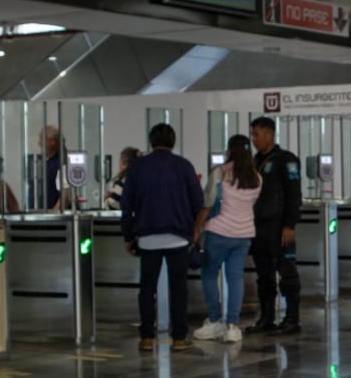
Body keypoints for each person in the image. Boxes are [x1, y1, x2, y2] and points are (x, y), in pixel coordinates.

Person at [120, 123, 203, 352]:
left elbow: (126, 205)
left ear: (151, 142)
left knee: (147, 289)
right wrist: (195, 231)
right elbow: (198, 202)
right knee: (178, 288)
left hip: (147, 238)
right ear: (173, 142)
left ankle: (147, 337)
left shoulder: (137, 168)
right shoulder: (184, 166)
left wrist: (128, 236)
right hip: (178, 238)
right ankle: (178, 338)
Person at [193, 135, 263, 343]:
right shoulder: (257, 178)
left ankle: (214, 321)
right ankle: (233, 326)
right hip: (244, 235)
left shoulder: (220, 173)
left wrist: (197, 229)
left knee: (209, 273)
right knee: (235, 278)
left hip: (219, 232)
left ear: (229, 151)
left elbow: (207, 203)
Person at [247, 117, 303, 335]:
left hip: (279, 227)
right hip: (258, 227)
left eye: (257, 135)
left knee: (287, 273)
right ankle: (267, 317)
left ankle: (291, 318)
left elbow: (293, 194)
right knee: (264, 275)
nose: (254, 139)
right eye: (252, 135)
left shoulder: (285, 160)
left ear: (270, 134)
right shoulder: (255, 162)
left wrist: (290, 224)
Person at [29, 125, 63, 210]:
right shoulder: (41, 162)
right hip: (37, 214)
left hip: (53, 217)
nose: (39, 143)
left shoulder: (62, 163)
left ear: (52, 142)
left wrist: (54, 214)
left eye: (42, 139)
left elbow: (66, 194)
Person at [105, 146, 141, 210]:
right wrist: (112, 195)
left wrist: (106, 199)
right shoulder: (140, 178)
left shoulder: (124, 181)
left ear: (125, 162)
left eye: (120, 160)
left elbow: (113, 204)